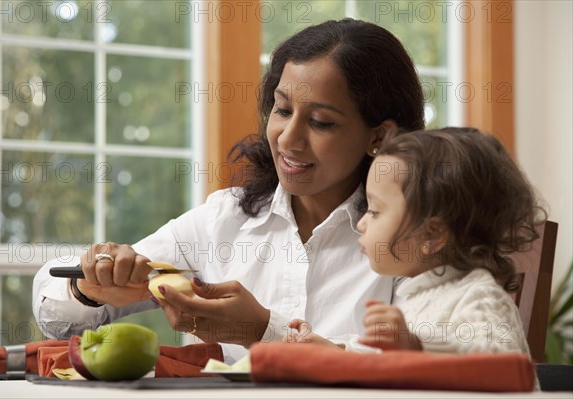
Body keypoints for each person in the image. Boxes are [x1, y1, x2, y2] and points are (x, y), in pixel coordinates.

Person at [32, 18, 425, 363]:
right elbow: (53, 313)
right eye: (283, 110)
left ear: (380, 135)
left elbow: (429, 360)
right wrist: (90, 290)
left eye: (321, 122)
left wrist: (261, 331)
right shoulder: (223, 221)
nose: (288, 139)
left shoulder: (419, 235)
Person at [285, 127, 545, 356]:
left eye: (375, 211)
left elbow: (499, 363)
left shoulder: (478, 296)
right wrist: (332, 351)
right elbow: (380, 362)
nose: (362, 223)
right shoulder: (414, 300)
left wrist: (418, 347)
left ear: (432, 236)